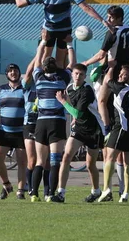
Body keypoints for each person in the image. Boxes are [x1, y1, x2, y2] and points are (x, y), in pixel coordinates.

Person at [10, 0, 111, 67]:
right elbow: (86, 7)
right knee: (60, 60)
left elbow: (19, 4)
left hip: (48, 28)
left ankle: (42, 79)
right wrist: (102, 20)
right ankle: (60, 81)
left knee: (44, 57)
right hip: (64, 29)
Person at [28, 30, 75, 202]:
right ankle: (50, 194)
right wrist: (69, 44)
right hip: (57, 122)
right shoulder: (62, 78)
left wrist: (42, 42)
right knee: (55, 160)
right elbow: (73, 64)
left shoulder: (38, 78)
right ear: (55, 66)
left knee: (40, 161)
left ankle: (34, 193)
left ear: (44, 67)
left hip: (41, 123)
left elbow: (36, 63)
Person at [52, 63, 104, 203]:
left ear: (85, 76)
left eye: (81, 74)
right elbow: (76, 111)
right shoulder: (69, 88)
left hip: (93, 129)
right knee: (66, 156)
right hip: (79, 129)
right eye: (76, 73)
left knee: (90, 164)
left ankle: (96, 191)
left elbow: (77, 112)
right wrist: (75, 119)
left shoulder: (86, 90)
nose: (78, 76)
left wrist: (62, 102)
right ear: (72, 74)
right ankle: (61, 193)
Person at [97, 65, 129, 203]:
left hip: (121, 127)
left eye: (123, 74)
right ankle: (126, 193)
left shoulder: (120, 88)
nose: (119, 76)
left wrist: (112, 65)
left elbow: (107, 80)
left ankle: (106, 189)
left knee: (110, 157)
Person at [0, 63, 28, 200]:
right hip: (4, 131)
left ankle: (20, 191)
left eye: (15, 70)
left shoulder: (25, 89)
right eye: (10, 71)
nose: (13, 73)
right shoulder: (0, 90)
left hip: (21, 131)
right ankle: (6, 184)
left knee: (22, 162)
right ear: (7, 74)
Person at [21, 57, 51, 198]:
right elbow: (28, 73)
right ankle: (31, 187)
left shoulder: (47, 81)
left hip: (44, 122)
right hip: (30, 124)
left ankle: (47, 191)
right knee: (32, 159)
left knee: (47, 161)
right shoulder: (28, 84)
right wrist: (38, 54)